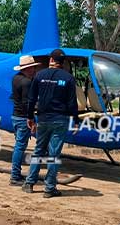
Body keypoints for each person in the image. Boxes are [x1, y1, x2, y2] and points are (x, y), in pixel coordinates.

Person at [23, 49, 79, 198]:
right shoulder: (68, 78)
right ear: (63, 62)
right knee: (54, 154)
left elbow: (31, 99)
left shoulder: (39, 75)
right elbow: (72, 102)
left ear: (51, 60)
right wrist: (76, 120)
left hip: (43, 119)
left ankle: (29, 183)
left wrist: (30, 117)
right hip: (60, 120)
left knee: (38, 150)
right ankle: (49, 188)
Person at [8, 55, 41, 185]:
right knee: (20, 147)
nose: (34, 70)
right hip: (23, 118)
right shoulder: (26, 82)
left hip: (16, 116)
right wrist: (31, 119)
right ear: (28, 69)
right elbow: (27, 103)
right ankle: (15, 176)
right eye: (32, 67)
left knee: (19, 146)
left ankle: (16, 174)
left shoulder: (15, 78)